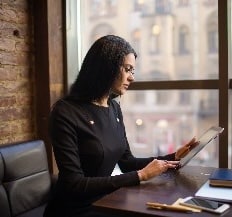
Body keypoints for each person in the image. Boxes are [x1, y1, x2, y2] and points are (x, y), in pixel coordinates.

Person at [43, 35, 198, 217]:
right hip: (73, 210)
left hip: (107, 202)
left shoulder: (114, 108)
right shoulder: (65, 112)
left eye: (133, 71)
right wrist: (141, 176)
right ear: (107, 67)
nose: (131, 77)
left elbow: (127, 163)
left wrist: (172, 157)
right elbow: (74, 184)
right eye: (128, 69)